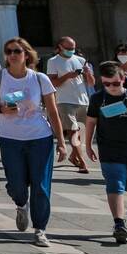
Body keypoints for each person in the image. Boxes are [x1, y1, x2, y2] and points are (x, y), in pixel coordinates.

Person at [0, 37, 67, 247]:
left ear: (26, 54)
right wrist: (1, 109)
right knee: (17, 184)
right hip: (10, 138)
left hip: (40, 137)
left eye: (17, 51)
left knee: (40, 185)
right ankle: (21, 204)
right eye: (9, 51)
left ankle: (40, 229)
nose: (12, 55)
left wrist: (62, 141)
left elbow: (53, 112)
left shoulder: (40, 79)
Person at [85, 61, 127, 244]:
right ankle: (119, 223)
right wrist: (87, 145)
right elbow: (90, 122)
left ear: (123, 79)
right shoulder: (97, 98)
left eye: (115, 83)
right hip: (109, 150)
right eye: (106, 84)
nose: (111, 87)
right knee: (115, 185)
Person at [47, 35, 94, 173]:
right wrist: (68, 76)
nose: (71, 50)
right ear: (60, 47)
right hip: (64, 101)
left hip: (83, 100)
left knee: (83, 134)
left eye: (73, 48)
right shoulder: (53, 61)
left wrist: (88, 74)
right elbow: (52, 83)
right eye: (68, 48)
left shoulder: (80, 60)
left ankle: (74, 157)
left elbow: (91, 83)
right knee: (73, 132)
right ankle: (82, 162)